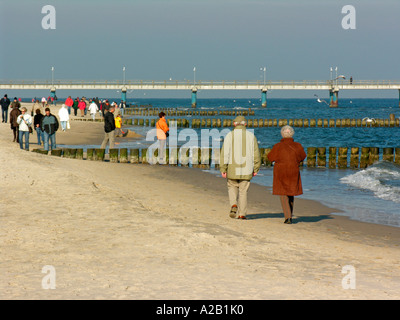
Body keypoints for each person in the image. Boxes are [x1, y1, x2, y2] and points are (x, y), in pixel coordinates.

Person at [220, 116, 261, 220]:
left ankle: (233, 204)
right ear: (245, 124)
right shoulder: (251, 136)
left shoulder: (230, 135)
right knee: (243, 191)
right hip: (246, 169)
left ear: (234, 124)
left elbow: (225, 153)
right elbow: (256, 154)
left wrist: (223, 168)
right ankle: (242, 214)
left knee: (231, 187)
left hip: (232, 168)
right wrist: (256, 168)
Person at [267, 125, 306, 224]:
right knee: (291, 193)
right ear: (292, 134)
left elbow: (270, 157)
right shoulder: (298, 146)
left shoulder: (277, 146)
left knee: (283, 194)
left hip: (281, 171)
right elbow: (303, 156)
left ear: (282, 134)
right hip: (293, 170)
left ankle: (288, 217)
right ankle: (289, 215)